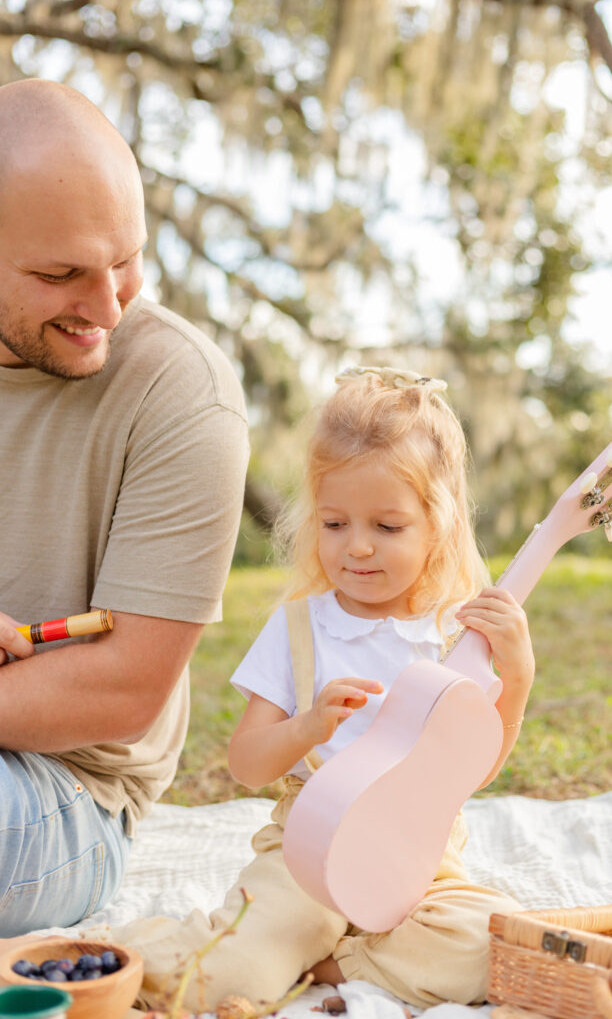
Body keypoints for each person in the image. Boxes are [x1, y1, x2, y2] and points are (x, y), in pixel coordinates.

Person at [113, 366, 535, 1014]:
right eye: (335, 524)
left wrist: (516, 678)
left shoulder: (454, 634)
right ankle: (188, 952)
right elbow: (247, 763)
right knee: (226, 975)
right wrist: (307, 727)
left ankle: (335, 965)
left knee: (492, 947)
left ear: (438, 525)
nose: (357, 548)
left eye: (386, 527)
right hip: (307, 850)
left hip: (417, 853)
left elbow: (470, 776)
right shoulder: (298, 629)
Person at [0, 78, 249, 936]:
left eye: (126, 260)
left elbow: (123, 687)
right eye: (60, 274)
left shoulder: (184, 393)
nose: (108, 307)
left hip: (60, 793)